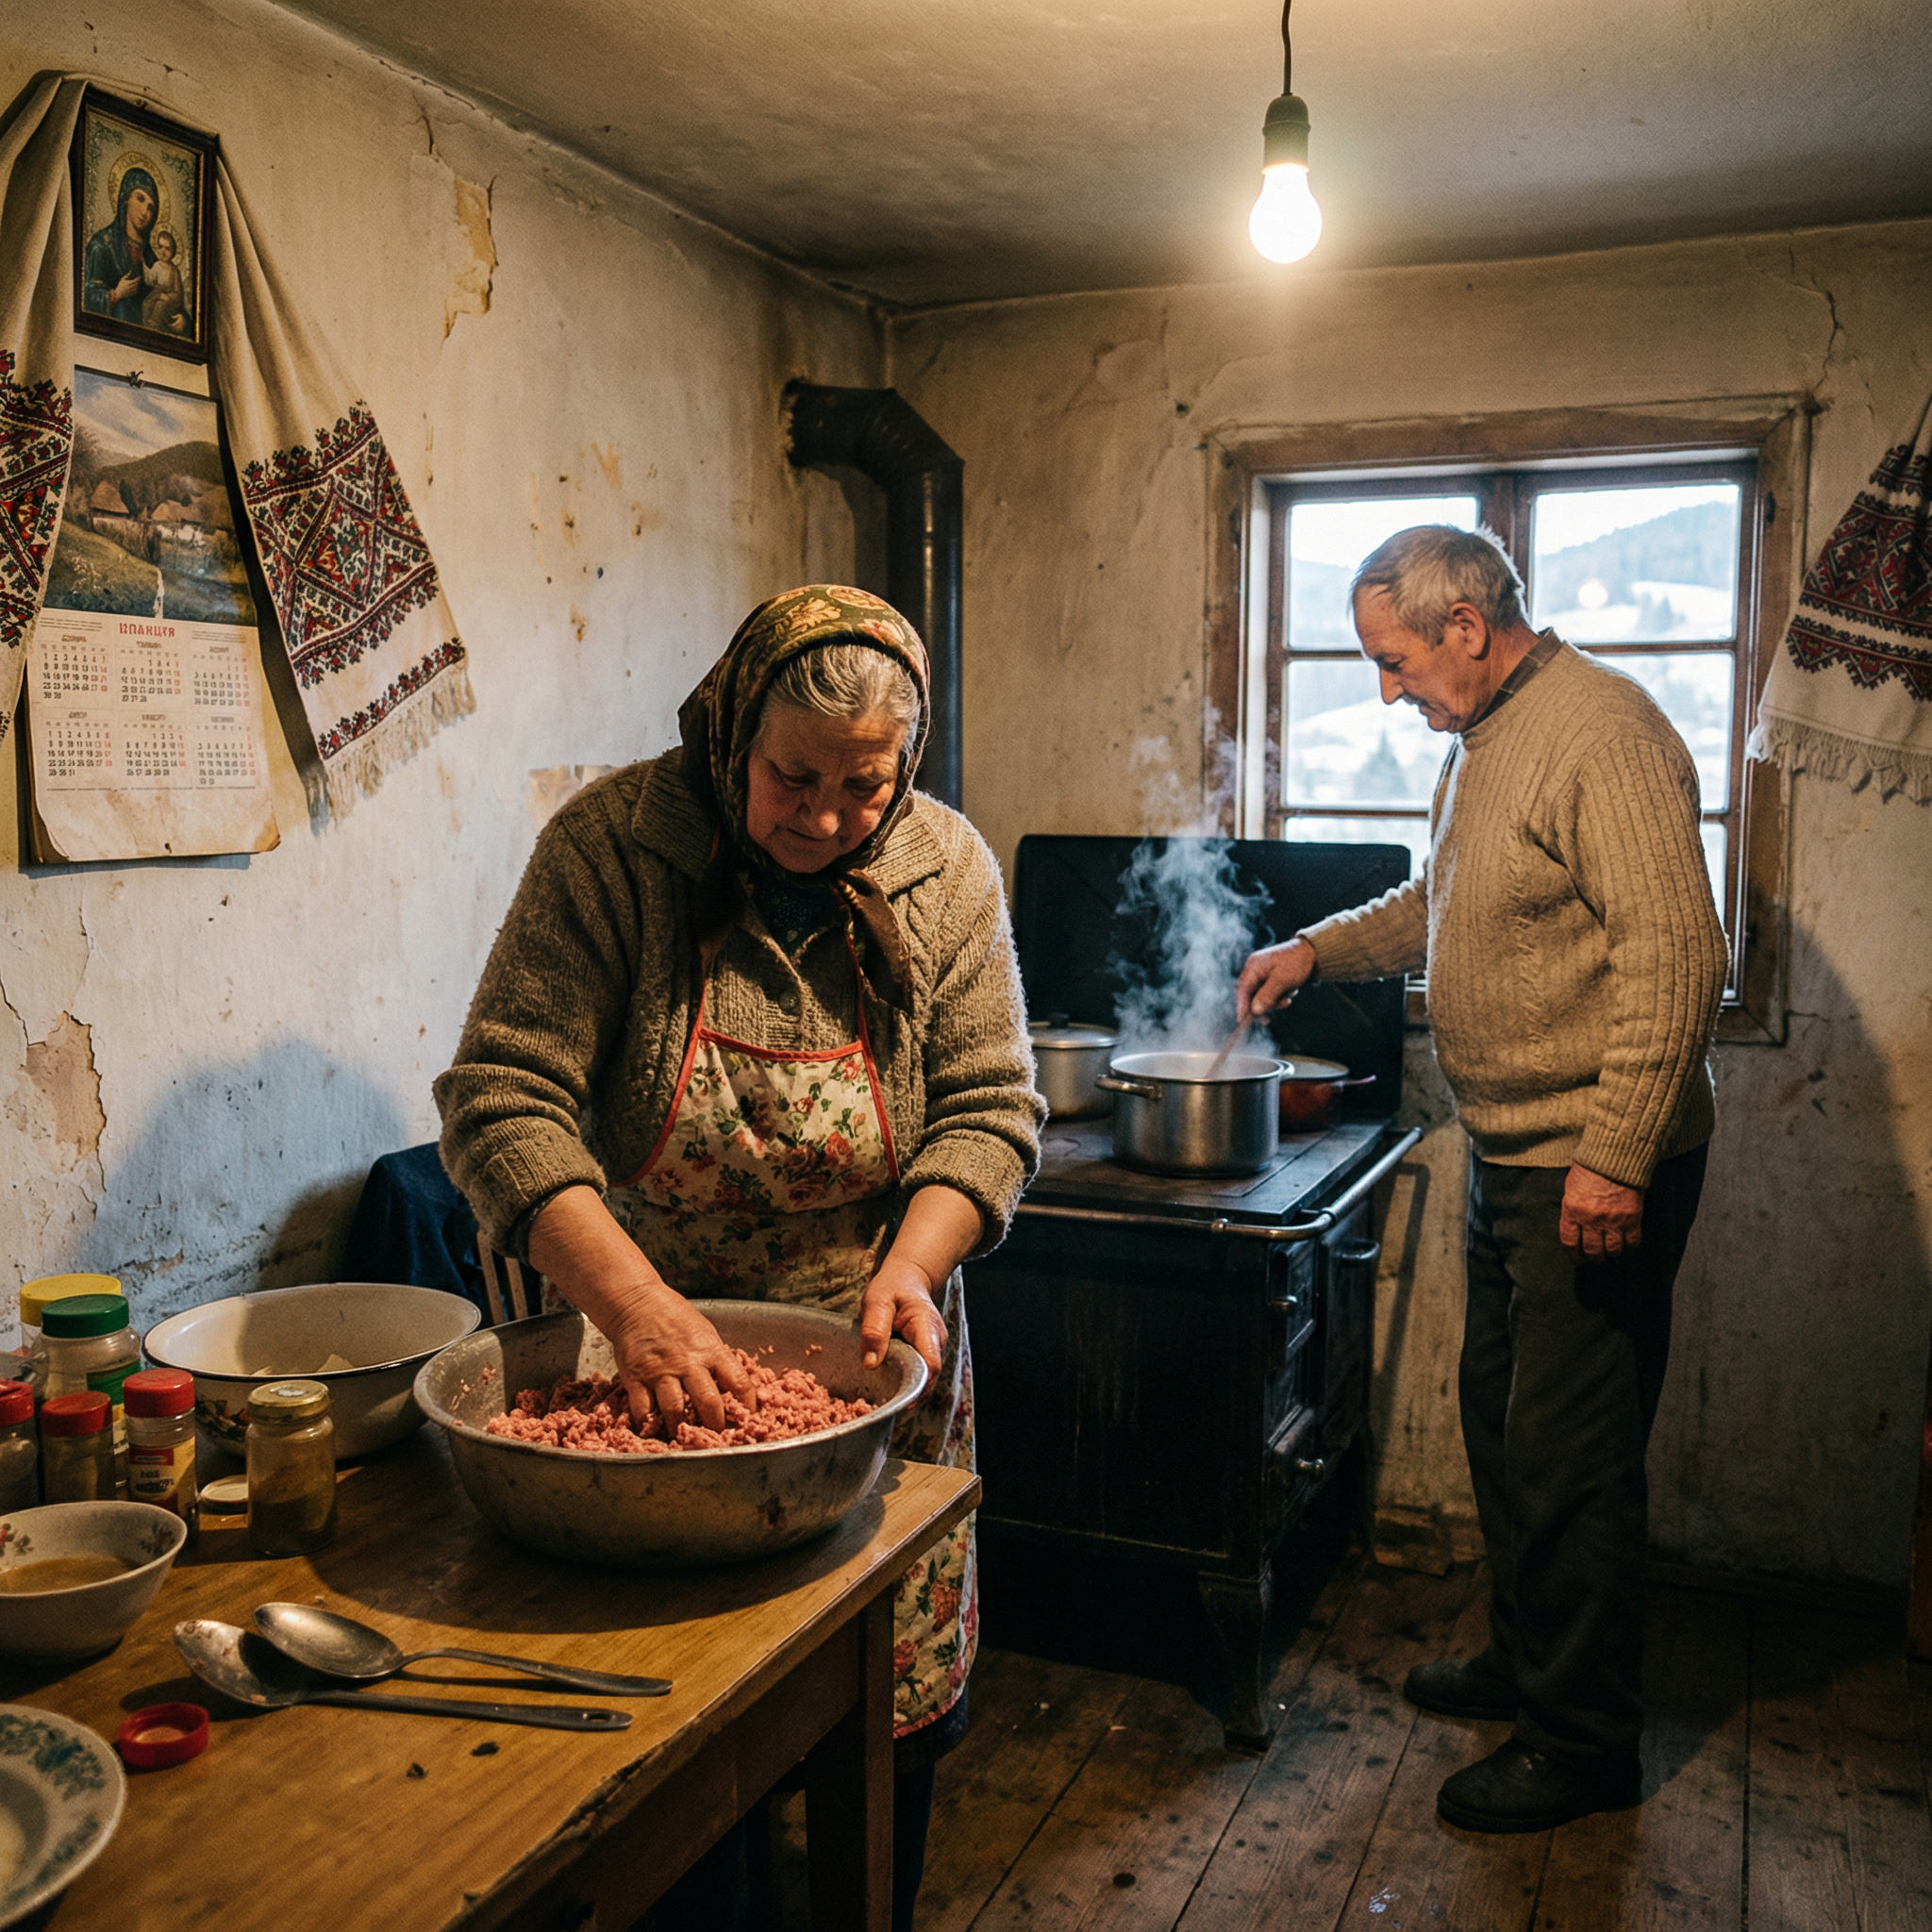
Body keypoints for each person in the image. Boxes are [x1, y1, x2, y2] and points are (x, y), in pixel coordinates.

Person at [436, 585, 1042, 1928]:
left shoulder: (945, 869)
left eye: (865, 787)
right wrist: (641, 1311)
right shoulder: (612, 851)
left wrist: (914, 1265)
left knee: (883, 1728)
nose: (828, 819)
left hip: (882, 1351)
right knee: (677, 1746)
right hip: (644, 1354)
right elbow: (501, 1100)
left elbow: (991, 1111)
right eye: (793, 779)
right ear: (729, 730)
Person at [1236, 525, 1726, 1834]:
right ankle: (1528, 1659)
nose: (1387, 692)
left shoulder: (1601, 735)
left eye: (1394, 662)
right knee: (1508, 1423)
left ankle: (1580, 1743)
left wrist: (1615, 1159)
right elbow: (1441, 912)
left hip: (1588, 1158)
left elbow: (1681, 957)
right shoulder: (1486, 741)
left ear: (1465, 623)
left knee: (1571, 1456)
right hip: (1514, 1152)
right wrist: (1314, 948)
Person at [82, 166, 159, 325]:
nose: (145, 211)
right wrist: (116, 294)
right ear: (126, 198)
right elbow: (85, 295)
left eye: (151, 207)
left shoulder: (151, 257)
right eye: (140, 198)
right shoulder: (101, 244)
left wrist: (182, 321)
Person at [141, 227, 189, 335]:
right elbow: (149, 280)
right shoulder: (157, 265)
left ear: (173, 252)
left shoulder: (174, 271)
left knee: (160, 306)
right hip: (156, 294)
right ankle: (147, 328)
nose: (163, 251)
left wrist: (167, 298)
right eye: (160, 246)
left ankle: (155, 329)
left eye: (167, 248)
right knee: (146, 305)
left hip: (168, 302)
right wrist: (143, 264)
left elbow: (178, 293)